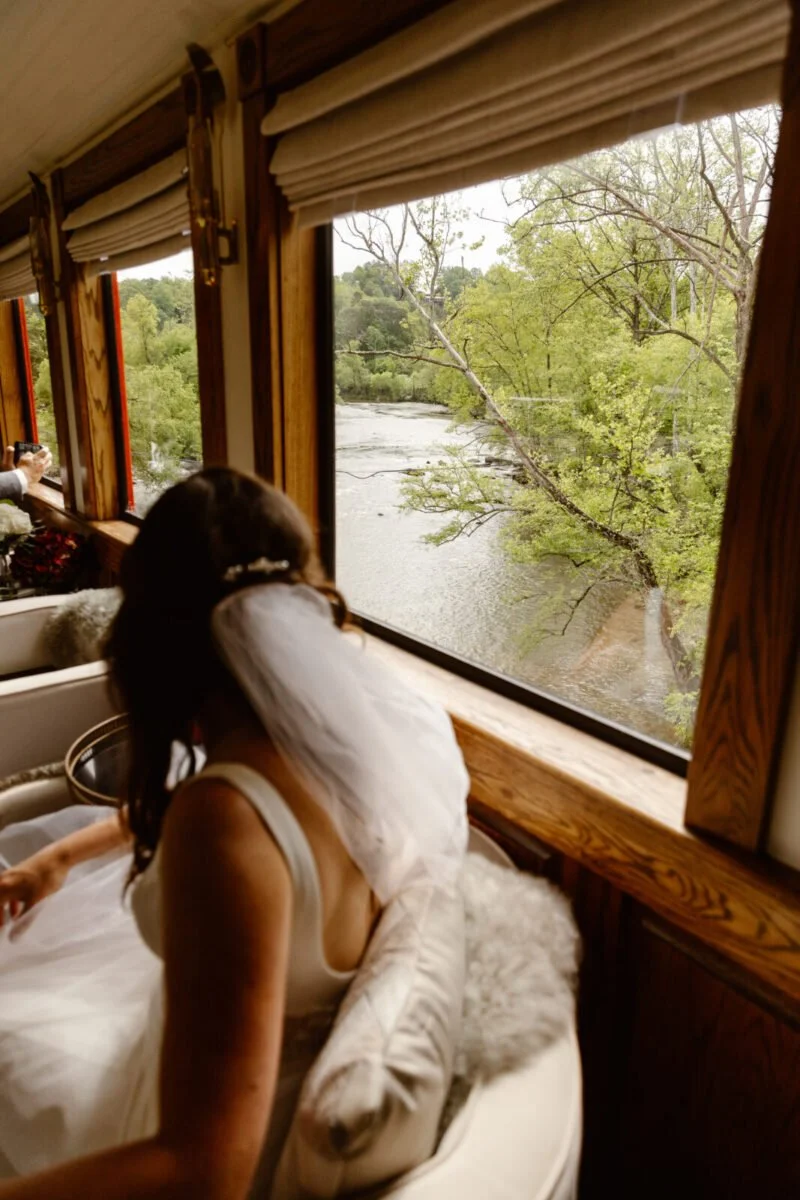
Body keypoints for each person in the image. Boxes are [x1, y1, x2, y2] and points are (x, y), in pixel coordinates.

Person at [0, 467, 469, 1198]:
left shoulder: (223, 824)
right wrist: (57, 859)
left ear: (152, 632)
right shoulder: (357, 736)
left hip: (206, 1126)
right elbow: (247, 823)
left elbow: (202, 1170)